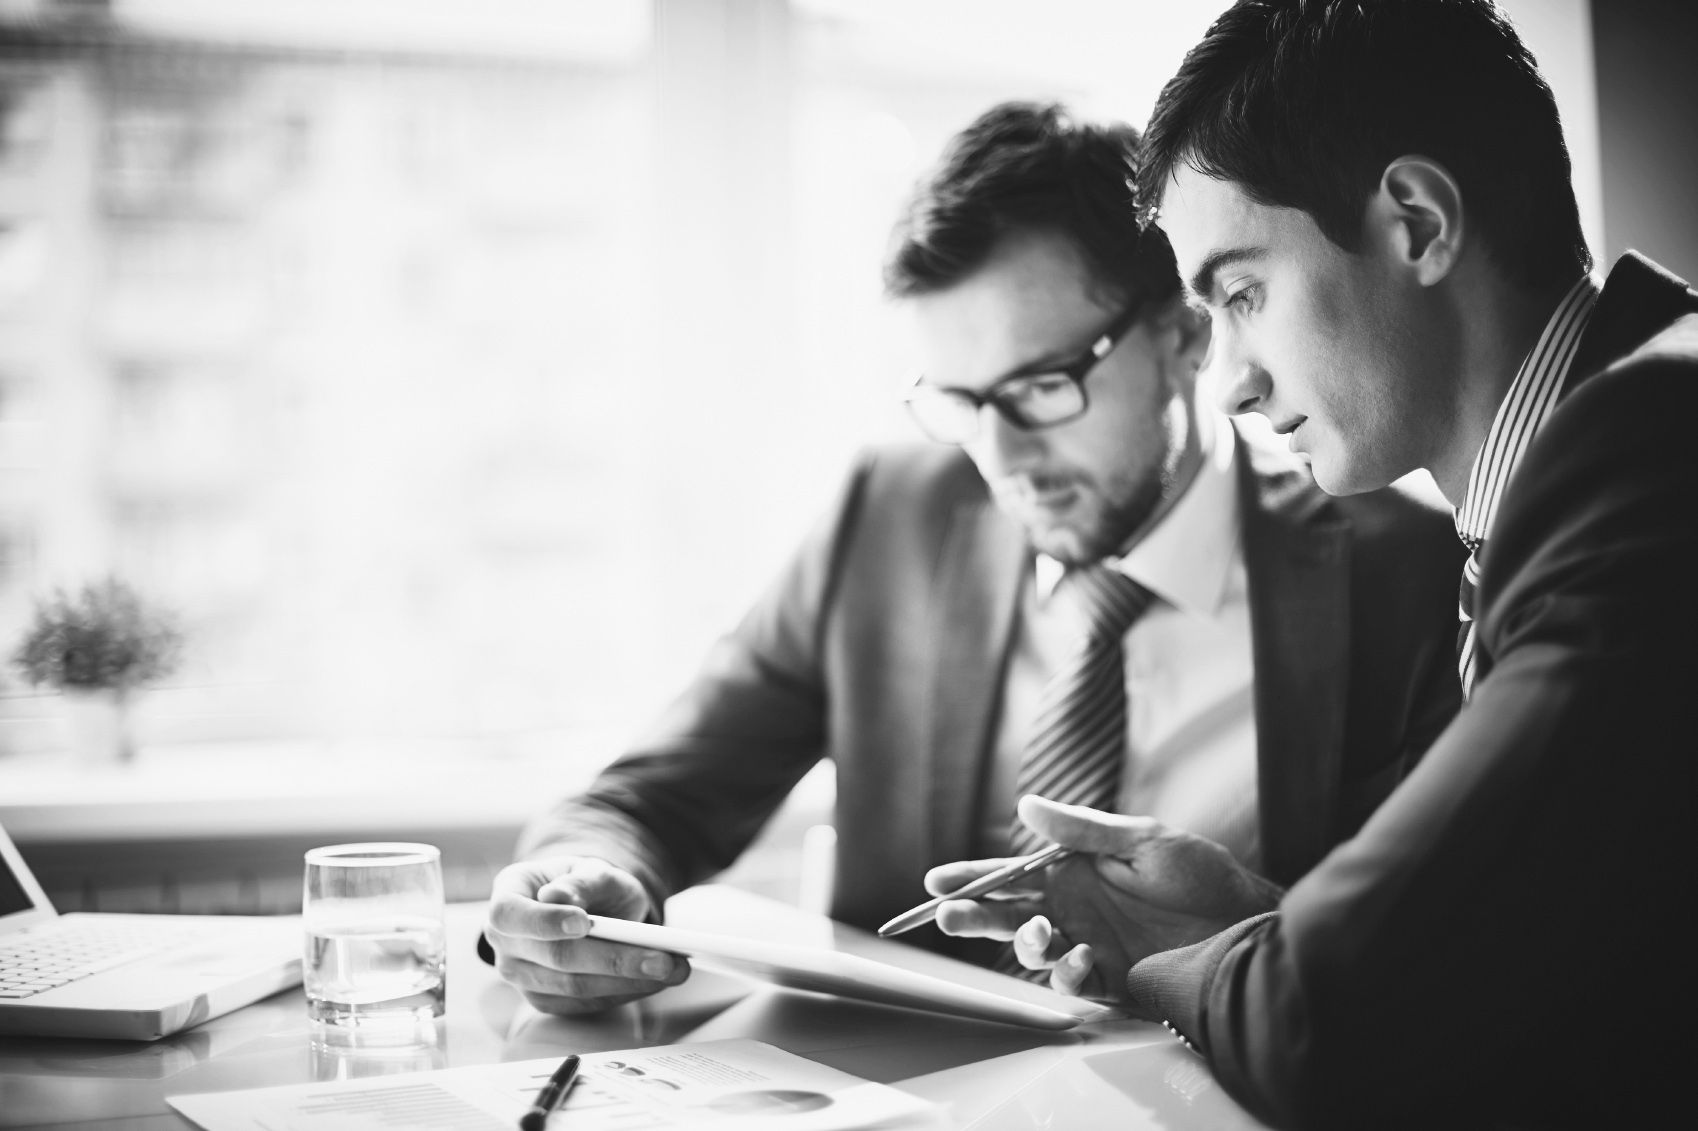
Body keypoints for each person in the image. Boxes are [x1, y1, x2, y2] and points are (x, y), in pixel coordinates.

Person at [480, 100, 1463, 1017]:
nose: (1002, 461)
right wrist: (581, 881)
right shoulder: (889, 517)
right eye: (960, 402)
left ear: (1183, 333)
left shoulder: (1404, 576)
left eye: (1041, 387)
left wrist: (1256, 933)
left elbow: (1442, 962)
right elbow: (653, 795)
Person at [929, 3, 1696, 1127]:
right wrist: (1257, 928)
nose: (1229, 382)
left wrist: (1194, 962)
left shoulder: (1644, 457)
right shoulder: (1583, 464)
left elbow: (1335, 1021)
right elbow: (1543, 972)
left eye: (1242, 294)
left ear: (1418, 223)